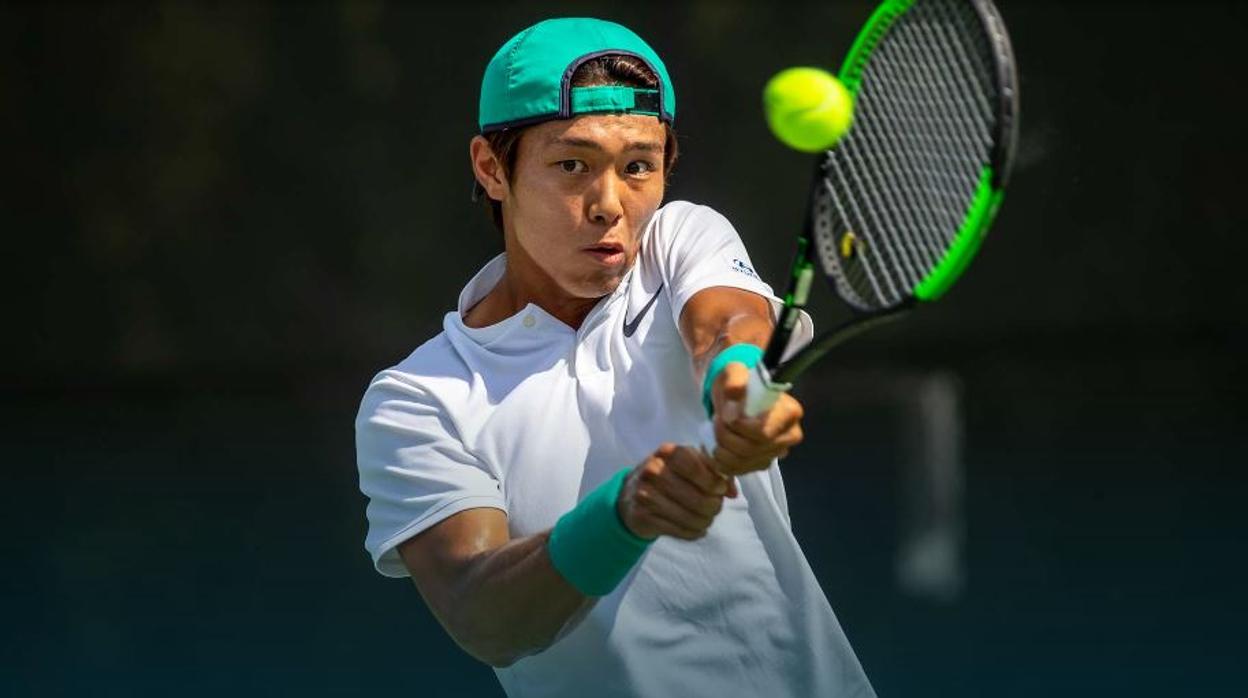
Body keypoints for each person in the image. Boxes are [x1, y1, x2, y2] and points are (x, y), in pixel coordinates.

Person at [355, 17, 875, 698]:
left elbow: (726, 325)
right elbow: (484, 617)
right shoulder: (417, 398)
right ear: (491, 169)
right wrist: (622, 517)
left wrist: (735, 384)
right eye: (572, 165)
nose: (609, 205)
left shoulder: (678, 242)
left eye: (638, 167)